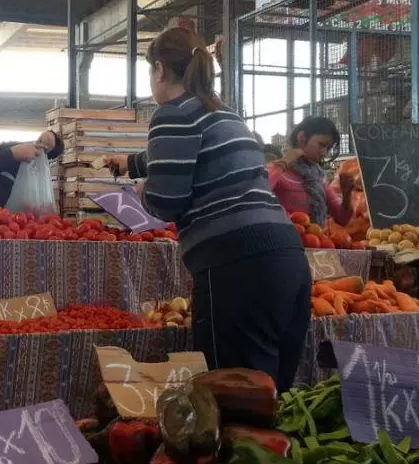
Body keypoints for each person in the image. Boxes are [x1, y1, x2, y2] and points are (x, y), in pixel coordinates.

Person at [103, 28, 309, 392]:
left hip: (237, 266)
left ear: (160, 70)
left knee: (235, 396)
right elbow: (190, 156)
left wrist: (141, 190)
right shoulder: (223, 114)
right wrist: (133, 163)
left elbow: (167, 201)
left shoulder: (171, 114)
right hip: (286, 257)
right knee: (274, 397)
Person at [267, 116, 355, 227]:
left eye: (328, 148)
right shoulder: (278, 170)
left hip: (314, 242)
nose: (324, 153)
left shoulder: (318, 178)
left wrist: (346, 195)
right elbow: (258, 189)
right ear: (302, 138)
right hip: (283, 240)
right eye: (321, 145)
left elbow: (342, 219)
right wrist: (284, 163)